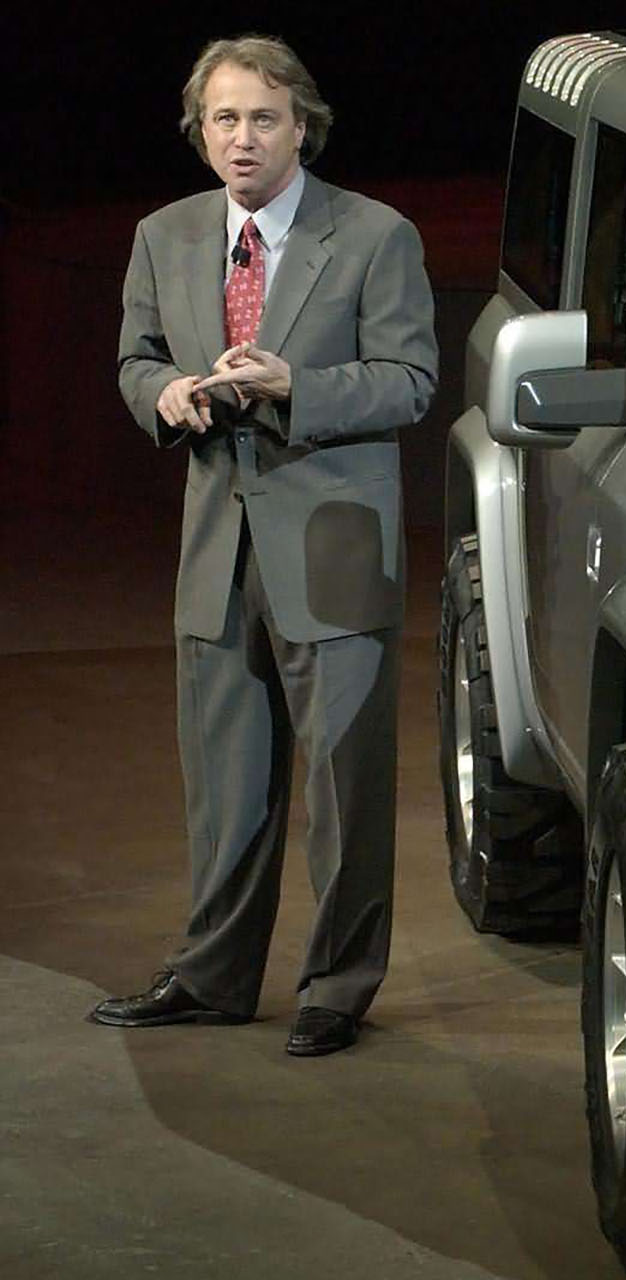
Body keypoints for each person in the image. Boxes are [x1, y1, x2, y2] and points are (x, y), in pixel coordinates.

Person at [92, 34, 436, 1057]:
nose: (242, 138)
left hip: (331, 546)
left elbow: (410, 380)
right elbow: (134, 357)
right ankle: (213, 975)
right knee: (226, 782)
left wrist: (297, 386)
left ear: (303, 127)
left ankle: (337, 985)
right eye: (224, 119)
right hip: (217, 546)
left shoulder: (374, 235)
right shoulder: (165, 233)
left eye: (263, 118)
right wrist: (162, 393)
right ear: (201, 133)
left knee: (343, 786)